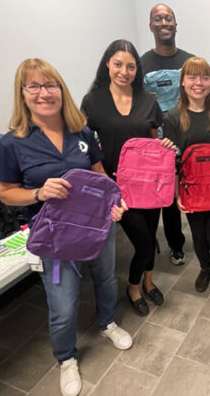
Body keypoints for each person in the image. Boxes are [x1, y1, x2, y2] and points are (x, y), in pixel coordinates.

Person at [0, 58, 132, 396]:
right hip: (54, 238)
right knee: (63, 302)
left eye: (50, 85)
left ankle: (107, 323)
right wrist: (38, 192)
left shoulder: (82, 132)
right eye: (34, 86)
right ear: (22, 94)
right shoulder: (13, 143)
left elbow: (101, 177)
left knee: (105, 279)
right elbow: (5, 193)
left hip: (98, 227)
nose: (44, 93)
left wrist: (116, 204)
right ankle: (66, 358)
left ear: (61, 90)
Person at [81, 39, 175, 317]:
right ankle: (133, 287)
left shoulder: (148, 101)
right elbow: (85, 143)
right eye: (118, 64)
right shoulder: (92, 101)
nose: (124, 71)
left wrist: (166, 148)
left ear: (137, 70)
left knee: (150, 233)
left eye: (131, 66)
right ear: (107, 64)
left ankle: (148, 280)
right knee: (144, 244)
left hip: (150, 184)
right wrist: (100, 179)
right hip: (117, 187)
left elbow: (154, 141)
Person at [163, 57, 210, 293]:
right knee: (198, 235)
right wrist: (177, 196)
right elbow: (174, 161)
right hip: (191, 190)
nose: (199, 82)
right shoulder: (173, 117)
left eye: (204, 77)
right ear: (183, 82)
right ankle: (205, 268)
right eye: (192, 77)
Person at [140, 3, 194, 266]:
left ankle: (177, 244)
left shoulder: (189, 61)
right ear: (151, 26)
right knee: (156, 194)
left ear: (175, 24)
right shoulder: (141, 64)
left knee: (179, 194)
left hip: (185, 135)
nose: (164, 22)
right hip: (154, 140)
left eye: (168, 18)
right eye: (158, 19)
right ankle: (148, 245)